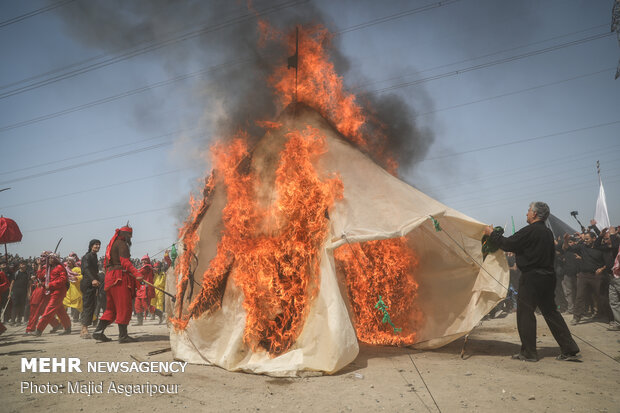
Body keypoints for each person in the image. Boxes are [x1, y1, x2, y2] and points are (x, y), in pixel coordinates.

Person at [483, 201, 580, 362]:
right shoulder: (547, 233)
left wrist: (491, 233)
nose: (526, 213)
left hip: (532, 278)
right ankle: (569, 348)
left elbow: (507, 244)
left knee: (525, 313)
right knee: (550, 312)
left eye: (528, 211)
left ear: (535, 214)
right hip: (548, 277)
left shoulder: (530, 231)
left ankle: (529, 352)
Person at [92, 226, 142, 343]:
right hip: (119, 278)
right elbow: (125, 262)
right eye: (130, 235)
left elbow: (105, 264)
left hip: (110, 278)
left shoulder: (111, 244)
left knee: (111, 309)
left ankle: (98, 332)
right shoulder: (121, 244)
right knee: (124, 306)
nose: (131, 237)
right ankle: (123, 336)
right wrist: (137, 273)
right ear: (125, 234)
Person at [34, 253, 72, 336]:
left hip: (58, 292)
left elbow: (62, 280)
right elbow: (40, 276)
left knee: (48, 311)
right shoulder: (48, 268)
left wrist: (49, 285)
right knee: (61, 311)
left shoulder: (60, 267)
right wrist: (43, 283)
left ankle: (39, 329)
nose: (50, 260)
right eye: (49, 258)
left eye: (52, 258)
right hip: (52, 292)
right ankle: (68, 327)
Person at [80, 239, 101, 338]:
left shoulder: (95, 256)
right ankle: (84, 329)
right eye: (96, 245)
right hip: (87, 284)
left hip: (94, 285)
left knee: (92, 306)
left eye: (99, 245)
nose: (97, 246)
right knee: (87, 306)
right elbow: (86, 270)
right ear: (91, 246)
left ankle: (84, 329)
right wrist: (93, 280)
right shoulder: (87, 256)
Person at [134, 255, 155, 326]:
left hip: (146, 289)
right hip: (140, 288)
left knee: (146, 306)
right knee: (137, 305)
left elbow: (139, 273)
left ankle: (160, 313)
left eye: (145, 260)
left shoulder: (147, 267)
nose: (143, 261)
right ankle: (140, 321)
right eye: (142, 260)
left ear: (148, 260)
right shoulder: (143, 267)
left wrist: (132, 270)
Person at [10, 261, 31, 325]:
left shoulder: (27, 274)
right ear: (19, 265)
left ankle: (19, 320)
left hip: (23, 292)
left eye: (24, 264)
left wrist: (29, 294)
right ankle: (13, 320)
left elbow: (29, 285)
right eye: (21, 264)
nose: (23, 266)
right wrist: (10, 293)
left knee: (22, 306)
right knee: (15, 305)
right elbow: (12, 283)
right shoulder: (16, 273)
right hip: (15, 292)